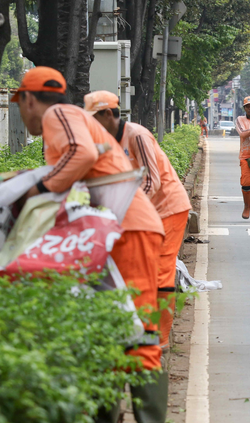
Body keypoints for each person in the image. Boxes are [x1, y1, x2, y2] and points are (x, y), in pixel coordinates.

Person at [13, 67, 168, 423]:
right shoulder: (71, 119)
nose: (22, 113)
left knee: (138, 330)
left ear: (29, 98)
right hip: (113, 230)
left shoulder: (59, 113)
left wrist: (34, 191)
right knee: (109, 330)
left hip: (129, 229)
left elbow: (81, 155)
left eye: (20, 103)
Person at [84, 90, 192, 357]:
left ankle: (161, 339)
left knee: (159, 272)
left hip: (168, 209)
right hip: (141, 217)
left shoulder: (136, 134)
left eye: (93, 119)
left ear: (108, 114)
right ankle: (139, 332)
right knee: (136, 272)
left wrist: (120, 208)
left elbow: (150, 181)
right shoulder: (103, 141)